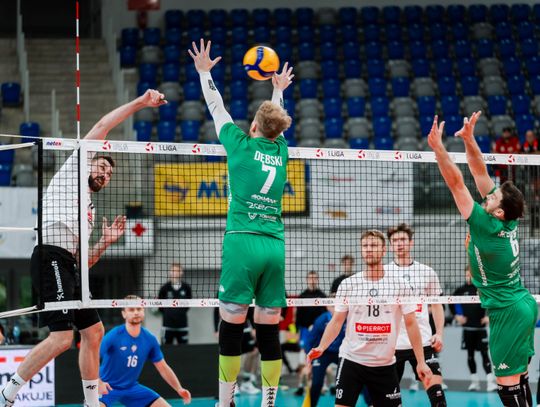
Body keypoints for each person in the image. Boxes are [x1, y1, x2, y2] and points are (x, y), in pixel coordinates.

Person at [0, 89, 166, 407]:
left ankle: (92, 403)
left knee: (94, 332)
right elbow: (102, 125)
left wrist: (104, 242)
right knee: (63, 338)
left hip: (67, 265)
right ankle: (8, 393)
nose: (105, 174)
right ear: (89, 163)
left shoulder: (88, 212)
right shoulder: (74, 172)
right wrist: (141, 103)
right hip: (49, 255)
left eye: (110, 173)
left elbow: (82, 265)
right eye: (101, 167)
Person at [188, 39, 293, 407]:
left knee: (231, 328)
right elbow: (275, 125)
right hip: (274, 245)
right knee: (269, 331)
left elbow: (216, 108)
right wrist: (278, 91)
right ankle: (269, 402)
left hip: (242, 241)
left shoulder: (240, 145)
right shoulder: (281, 150)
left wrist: (205, 72)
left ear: (253, 126)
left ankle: (223, 402)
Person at [428, 111, 536, 407]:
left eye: (493, 198)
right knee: (520, 378)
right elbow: (479, 173)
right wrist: (469, 139)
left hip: (507, 312)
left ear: (498, 211)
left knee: (507, 387)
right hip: (522, 302)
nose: (488, 196)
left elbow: (457, 184)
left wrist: (438, 148)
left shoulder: (485, 225)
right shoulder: (507, 218)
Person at [307, 230, 432, 407]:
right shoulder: (348, 284)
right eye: (365, 246)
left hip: (384, 364)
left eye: (373, 245)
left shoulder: (400, 285)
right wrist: (321, 346)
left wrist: (421, 362)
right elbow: (336, 321)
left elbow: (411, 324)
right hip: (352, 360)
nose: (369, 249)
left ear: (384, 250)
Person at [386, 223, 447, 406]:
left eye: (403, 239)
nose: (399, 243)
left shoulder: (426, 272)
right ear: (390, 245)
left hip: (423, 342)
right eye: (395, 240)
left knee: (438, 398)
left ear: (411, 242)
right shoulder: (384, 273)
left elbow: (437, 305)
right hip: (392, 346)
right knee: (387, 400)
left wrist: (439, 333)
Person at [98, 296, 191, 406]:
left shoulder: (149, 339)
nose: (136, 312)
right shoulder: (114, 335)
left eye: (139, 309)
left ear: (143, 311)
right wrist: (98, 381)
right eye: (131, 310)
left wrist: (179, 388)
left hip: (131, 388)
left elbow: (163, 367)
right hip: (107, 386)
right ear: (124, 314)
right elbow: (93, 357)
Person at [452, 266, 497, 392]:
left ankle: (490, 383)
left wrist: (489, 316)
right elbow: (452, 303)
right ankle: (474, 382)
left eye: (471, 275)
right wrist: (457, 315)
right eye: (467, 275)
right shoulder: (460, 290)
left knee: (485, 354)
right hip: (467, 329)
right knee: (470, 355)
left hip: (480, 329)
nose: (469, 277)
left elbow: (492, 302)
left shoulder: (482, 289)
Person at [158, 263, 192, 345]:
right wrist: (169, 313)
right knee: (165, 349)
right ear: (170, 272)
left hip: (182, 325)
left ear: (181, 272)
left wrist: (179, 312)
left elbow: (189, 305)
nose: (175, 273)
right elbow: (160, 306)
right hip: (167, 325)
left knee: (184, 349)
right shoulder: (164, 288)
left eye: (178, 271)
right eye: (173, 270)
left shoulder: (186, 287)